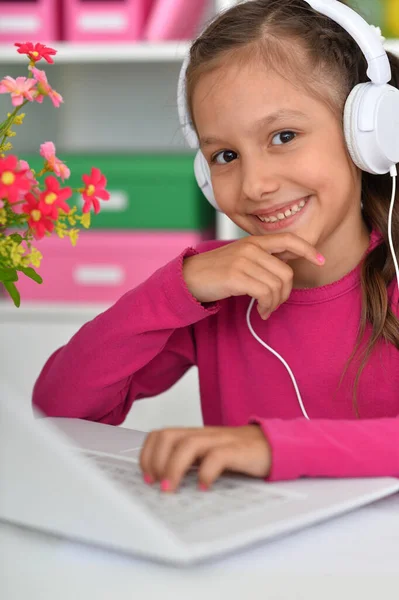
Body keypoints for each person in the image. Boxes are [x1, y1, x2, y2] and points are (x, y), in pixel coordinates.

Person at [33, 0, 399, 493]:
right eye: (225, 155)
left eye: (283, 136)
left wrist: (269, 447)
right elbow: (58, 408)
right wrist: (175, 289)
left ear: (366, 135)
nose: (254, 185)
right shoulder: (214, 290)